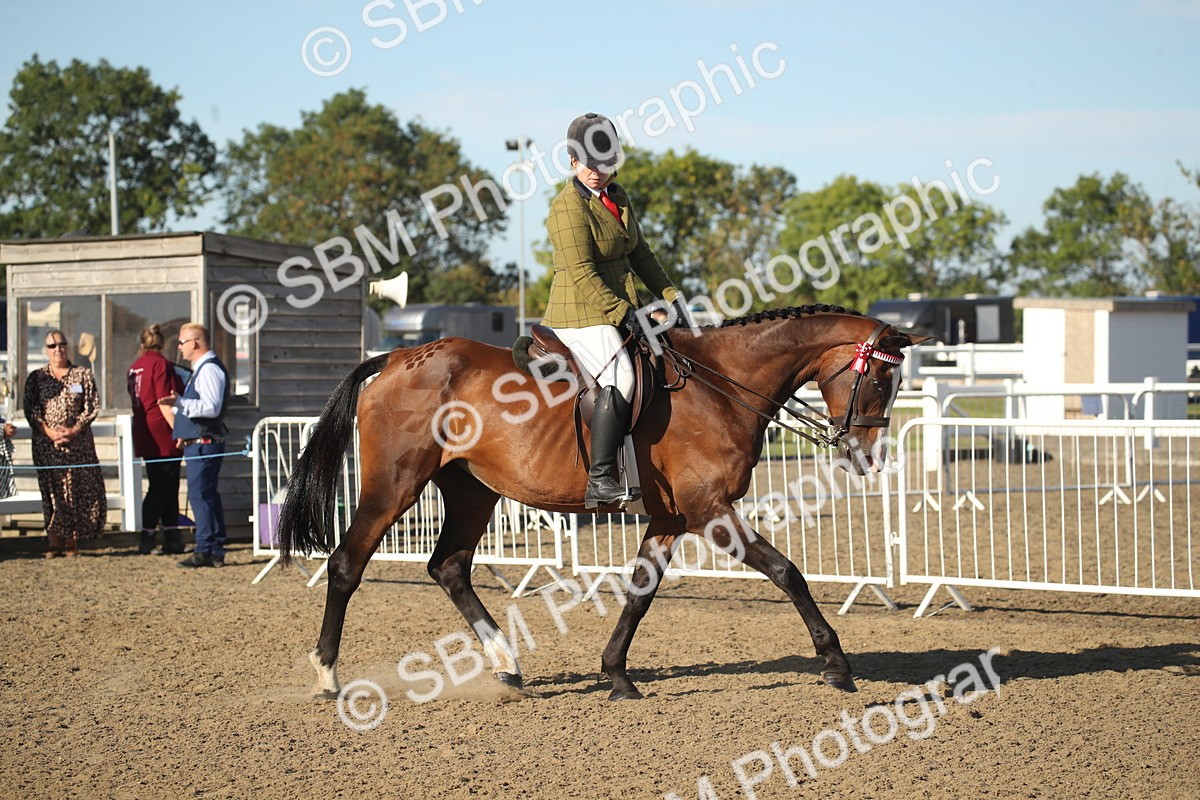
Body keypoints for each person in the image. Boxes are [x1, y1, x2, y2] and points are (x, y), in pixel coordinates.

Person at [543, 112, 682, 508]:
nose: (598, 172)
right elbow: (582, 273)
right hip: (579, 314)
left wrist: (671, 296)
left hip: (616, 308)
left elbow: (640, 253)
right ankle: (600, 480)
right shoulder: (567, 207)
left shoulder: (618, 197)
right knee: (620, 376)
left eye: (606, 164)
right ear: (573, 161)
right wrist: (626, 313)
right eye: (589, 163)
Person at [23, 330, 107, 557]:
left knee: (76, 490)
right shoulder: (36, 378)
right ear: (46, 350)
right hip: (47, 446)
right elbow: (31, 410)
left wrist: (74, 430)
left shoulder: (82, 375)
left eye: (61, 344)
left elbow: (91, 406)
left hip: (77, 445)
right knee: (52, 491)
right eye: (52, 346)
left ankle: (72, 541)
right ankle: (53, 542)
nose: (57, 349)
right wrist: (49, 432)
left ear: (67, 347)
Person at [159, 323, 229, 568]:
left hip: (204, 443)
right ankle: (214, 547)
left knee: (201, 496)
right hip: (198, 441)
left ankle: (206, 549)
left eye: (182, 342)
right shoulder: (203, 369)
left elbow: (211, 407)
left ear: (195, 342)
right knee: (206, 496)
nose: (179, 348)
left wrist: (179, 402)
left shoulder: (208, 370)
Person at [127, 323, 185, 555]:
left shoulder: (135, 367)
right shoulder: (161, 364)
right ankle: (148, 535)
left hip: (143, 428)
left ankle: (172, 535)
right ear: (162, 344)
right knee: (162, 485)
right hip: (161, 431)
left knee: (166, 485)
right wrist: (178, 430)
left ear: (142, 344)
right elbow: (163, 402)